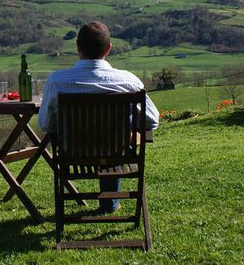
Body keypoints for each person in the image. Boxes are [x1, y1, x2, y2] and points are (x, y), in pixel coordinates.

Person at [38, 21, 159, 214]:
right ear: (109, 48)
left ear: (78, 47)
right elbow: (152, 120)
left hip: (73, 154)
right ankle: (110, 203)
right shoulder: (128, 81)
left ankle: (108, 203)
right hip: (116, 154)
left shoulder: (57, 81)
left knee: (103, 134)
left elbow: (44, 124)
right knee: (117, 134)